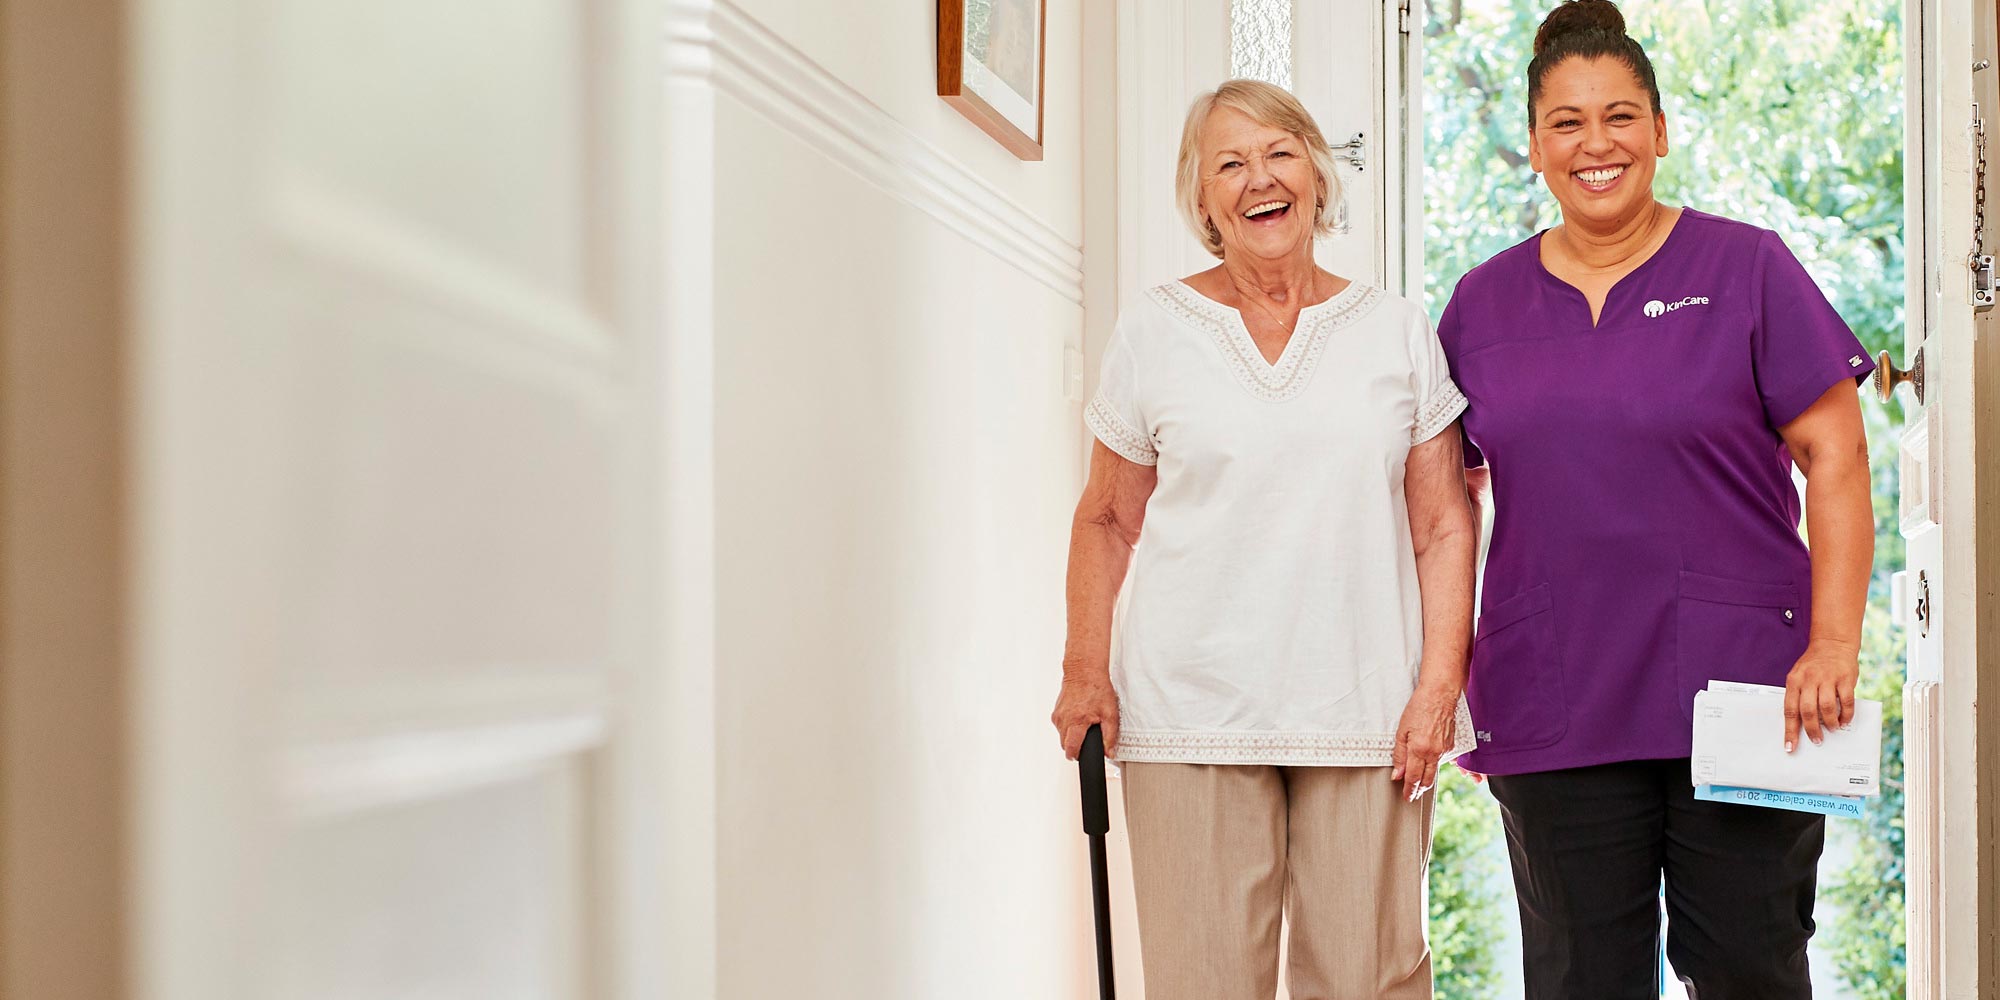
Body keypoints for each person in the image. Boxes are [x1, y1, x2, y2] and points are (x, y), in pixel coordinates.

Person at [1437, 3, 1876, 997]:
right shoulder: (1479, 305)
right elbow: (1440, 503)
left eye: (1620, 116)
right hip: (1555, 699)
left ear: (1660, 131)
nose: (1596, 143)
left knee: (1749, 971)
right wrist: (1438, 665)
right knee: (1579, 979)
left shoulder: (1746, 267)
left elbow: (1837, 456)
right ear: (1535, 147)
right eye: (1566, 122)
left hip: (1752, 691)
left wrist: (1833, 643)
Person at [1050, 78, 1478, 1000]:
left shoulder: (1399, 331)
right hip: (1190, 711)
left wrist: (1439, 687)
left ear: (1318, 177)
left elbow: (1444, 522)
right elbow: (1107, 516)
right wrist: (1085, 669)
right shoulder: (1155, 328)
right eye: (1229, 164)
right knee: (1204, 983)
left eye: (1280, 153)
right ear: (1201, 198)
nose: (1259, 180)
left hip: (1366, 710)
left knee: (1368, 981)